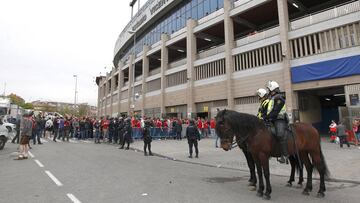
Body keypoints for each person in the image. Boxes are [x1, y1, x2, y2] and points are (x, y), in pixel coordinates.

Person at [265, 80, 288, 164]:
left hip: (279, 119)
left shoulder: (279, 98)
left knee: (280, 134)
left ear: (273, 89)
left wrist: (268, 117)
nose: (268, 91)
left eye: (269, 89)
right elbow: (270, 110)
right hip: (272, 119)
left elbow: (276, 111)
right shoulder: (271, 98)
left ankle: (285, 155)